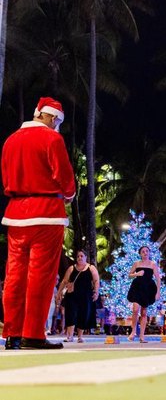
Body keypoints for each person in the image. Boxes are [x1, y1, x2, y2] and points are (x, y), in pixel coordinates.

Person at [1, 97, 75, 350]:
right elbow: (65, 177)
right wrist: (69, 195)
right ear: (52, 117)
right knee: (40, 276)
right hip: (46, 213)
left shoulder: (10, 140)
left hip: (15, 213)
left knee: (14, 276)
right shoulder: (52, 139)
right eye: (57, 122)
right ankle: (33, 334)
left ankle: (12, 334)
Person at [57, 249, 99, 343]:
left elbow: (96, 281)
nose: (80, 258)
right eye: (78, 256)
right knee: (71, 314)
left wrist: (96, 292)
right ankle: (70, 336)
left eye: (82, 256)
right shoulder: (71, 268)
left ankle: (80, 337)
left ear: (85, 257)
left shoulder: (91, 268)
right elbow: (64, 281)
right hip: (72, 295)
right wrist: (59, 293)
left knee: (83, 315)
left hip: (86, 296)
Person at [126, 245, 161, 343]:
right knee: (135, 309)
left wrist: (158, 292)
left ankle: (142, 336)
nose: (145, 253)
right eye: (143, 251)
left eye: (147, 251)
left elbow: (158, 279)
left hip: (148, 288)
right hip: (137, 287)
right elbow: (129, 275)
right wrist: (137, 274)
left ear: (149, 253)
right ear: (140, 254)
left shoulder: (153, 264)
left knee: (144, 312)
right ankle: (133, 332)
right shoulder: (136, 264)